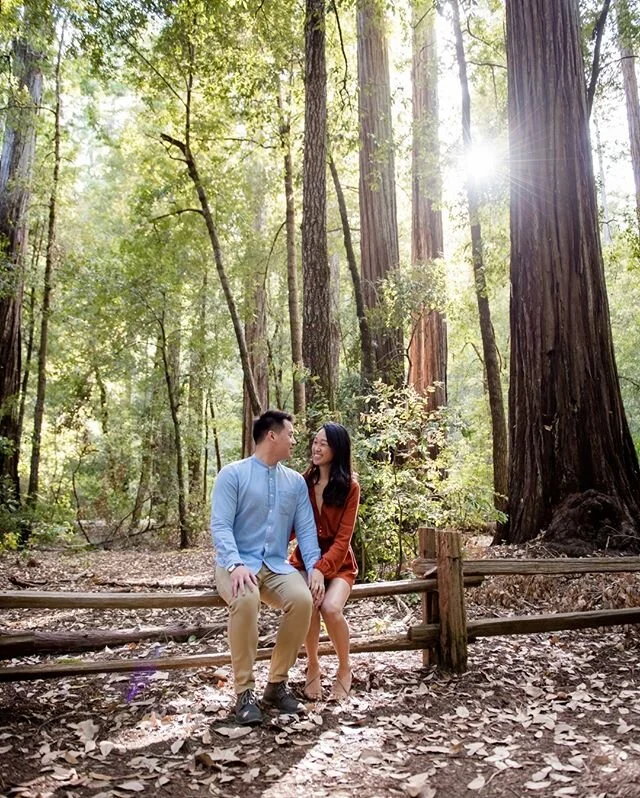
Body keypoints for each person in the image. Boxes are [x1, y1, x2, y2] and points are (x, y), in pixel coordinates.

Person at [211, 409, 325, 726]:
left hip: (275, 566)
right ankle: (244, 693)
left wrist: (315, 568)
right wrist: (234, 564)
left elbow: (306, 532)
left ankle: (276, 685)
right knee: (245, 599)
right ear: (272, 435)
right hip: (233, 565)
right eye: (290, 434)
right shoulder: (232, 475)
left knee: (303, 600)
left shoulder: (295, 484)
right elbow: (220, 527)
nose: (294, 440)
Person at [290, 422, 360, 702]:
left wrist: (321, 568)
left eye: (323, 444)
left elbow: (343, 540)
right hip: (304, 560)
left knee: (330, 608)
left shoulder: (350, 487)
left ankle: (344, 669)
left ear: (337, 450)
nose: (316, 448)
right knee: (309, 603)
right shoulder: (302, 483)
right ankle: (313, 665)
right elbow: (291, 526)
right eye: (315, 442)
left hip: (339, 562)